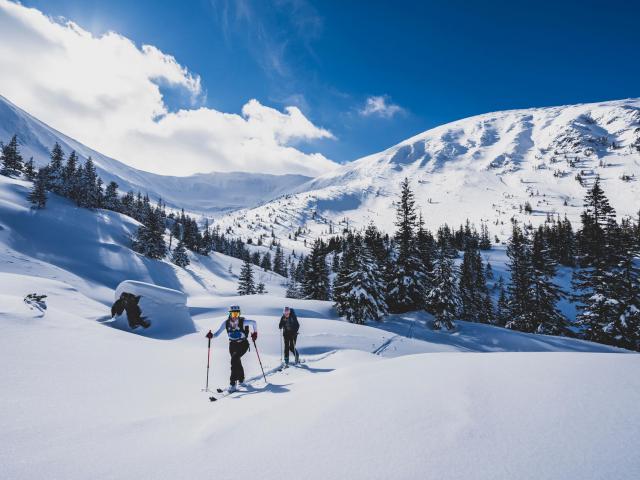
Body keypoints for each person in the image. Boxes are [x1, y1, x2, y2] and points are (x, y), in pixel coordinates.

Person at [210, 305, 258, 392]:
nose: (235, 316)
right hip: (232, 345)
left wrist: (255, 333)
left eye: (237, 314)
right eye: (233, 314)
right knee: (237, 361)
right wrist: (211, 336)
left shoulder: (243, 322)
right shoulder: (226, 323)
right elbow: (217, 334)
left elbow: (254, 322)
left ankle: (232, 384)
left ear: (239, 314)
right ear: (230, 314)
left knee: (234, 360)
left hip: (243, 344)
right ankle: (241, 380)